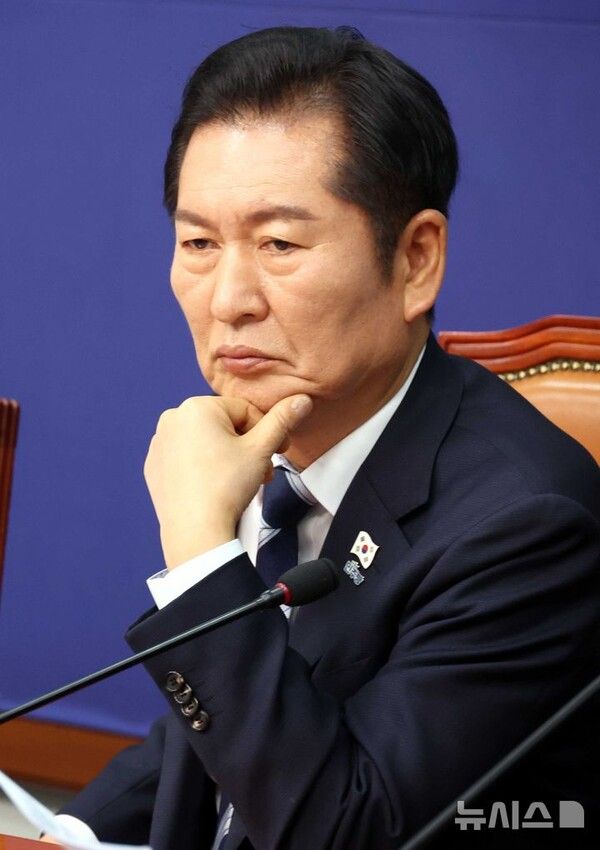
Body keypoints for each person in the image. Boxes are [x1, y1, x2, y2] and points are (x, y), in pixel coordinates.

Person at [45, 25, 599, 850]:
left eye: (278, 244)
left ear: (416, 260)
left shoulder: (528, 528)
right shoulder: (293, 450)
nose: (229, 299)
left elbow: (345, 829)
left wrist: (200, 555)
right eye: (199, 243)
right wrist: (65, 834)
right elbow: (231, 721)